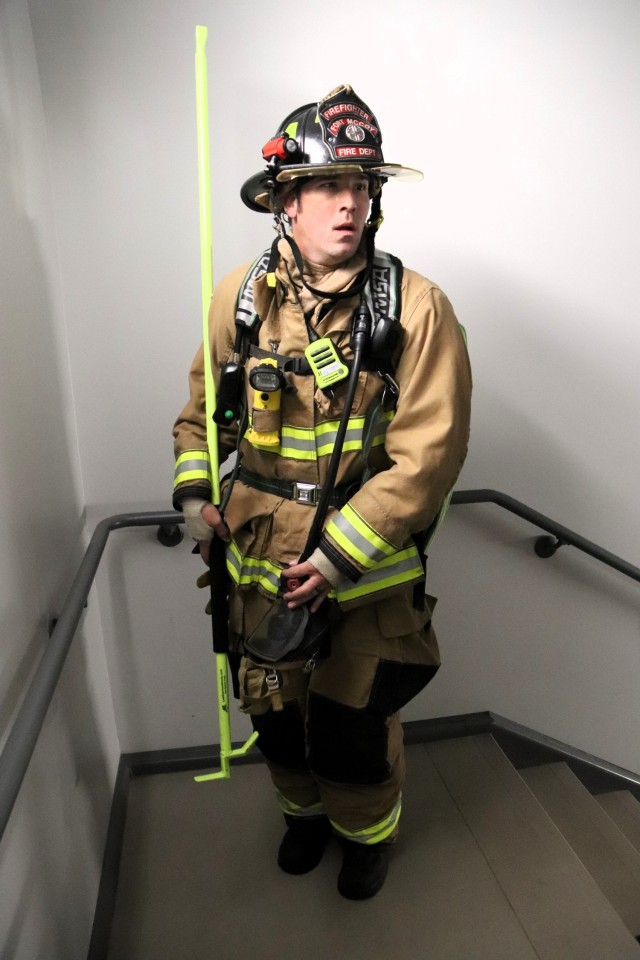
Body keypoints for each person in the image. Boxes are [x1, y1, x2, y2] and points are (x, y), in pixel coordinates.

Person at [172, 84, 471, 900]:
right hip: (260, 566)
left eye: (362, 185)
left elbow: (428, 457)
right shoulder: (241, 298)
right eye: (328, 186)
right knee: (275, 719)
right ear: (285, 203)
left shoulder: (415, 308)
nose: (351, 203)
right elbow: (200, 419)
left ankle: (365, 838)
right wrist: (197, 499)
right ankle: (302, 818)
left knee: (351, 727)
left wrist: (338, 559)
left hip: (362, 578)